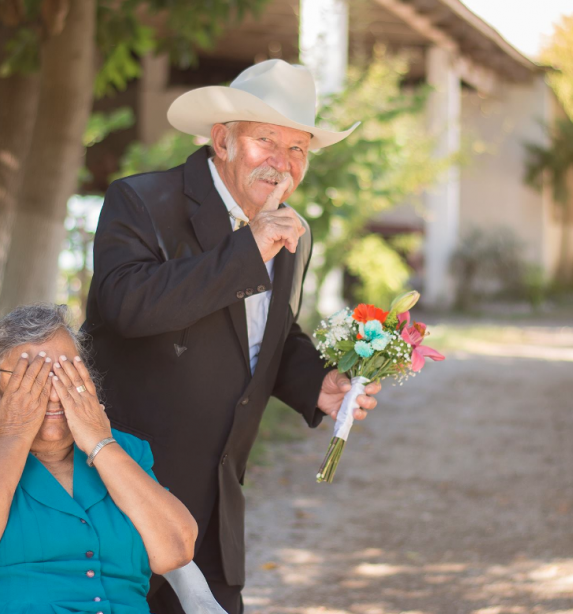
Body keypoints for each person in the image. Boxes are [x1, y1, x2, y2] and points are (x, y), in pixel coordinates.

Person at [84, 59, 382, 614]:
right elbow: (127, 306)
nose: (283, 163)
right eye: (267, 141)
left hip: (216, 508)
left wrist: (318, 383)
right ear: (222, 140)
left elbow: (270, 330)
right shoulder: (142, 202)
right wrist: (249, 250)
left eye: (299, 149)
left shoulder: (293, 229)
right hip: (121, 497)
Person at [0, 304, 198, 613]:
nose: (52, 393)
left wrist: (100, 443)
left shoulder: (125, 452)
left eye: (66, 373)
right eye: (31, 377)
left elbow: (177, 551)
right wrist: (14, 435)